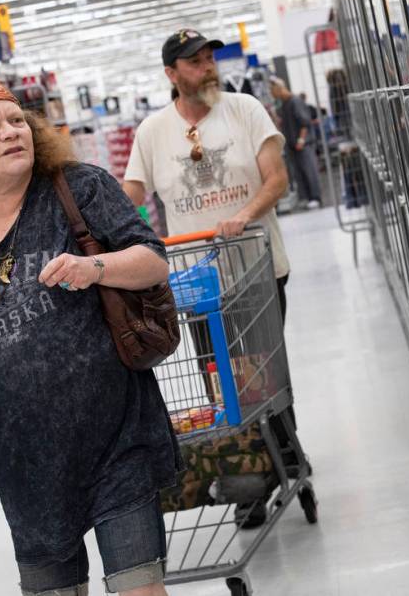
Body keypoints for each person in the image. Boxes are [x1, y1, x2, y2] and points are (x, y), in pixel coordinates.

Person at [0, 76, 181, 596]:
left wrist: (94, 267)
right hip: (23, 464)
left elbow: (152, 261)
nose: (11, 132)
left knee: (140, 588)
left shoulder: (78, 187)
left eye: (17, 121)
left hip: (115, 439)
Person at [122, 29, 298, 529]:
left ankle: (280, 460)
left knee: (266, 375)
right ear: (172, 75)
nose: (206, 68)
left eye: (208, 59)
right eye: (194, 62)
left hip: (258, 271)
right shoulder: (153, 131)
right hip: (198, 285)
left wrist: (244, 214)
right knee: (221, 383)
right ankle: (254, 477)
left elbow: (277, 178)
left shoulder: (244, 110)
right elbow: (131, 192)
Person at [270, 78, 322, 210]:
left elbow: (304, 122)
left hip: (303, 144)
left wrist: (301, 140)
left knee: (309, 171)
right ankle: (306, 198)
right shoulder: (284, 104)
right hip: (292, 145)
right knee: (299, 173)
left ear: (278, 89)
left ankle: (315, 197)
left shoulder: (295, 101)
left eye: (273, 92)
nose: (273, 95)